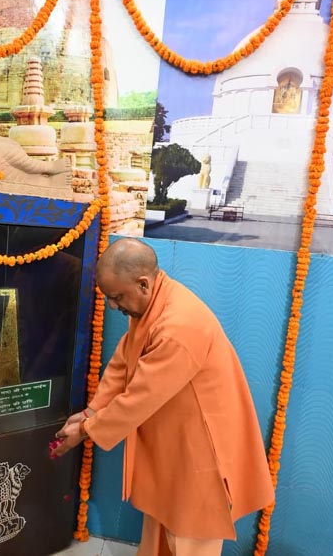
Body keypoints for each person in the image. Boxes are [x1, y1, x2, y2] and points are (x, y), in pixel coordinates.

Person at [53, 238, 274, 556]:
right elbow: (123, 360)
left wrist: (86, 431)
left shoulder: (178, 326)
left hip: (202, 451)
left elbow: (139, 397)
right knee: (159, 532)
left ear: (143, 283)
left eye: (116, 297)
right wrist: (92, 412)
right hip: (174, 445)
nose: (114, 307)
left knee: (188, 539)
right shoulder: (153, 303)